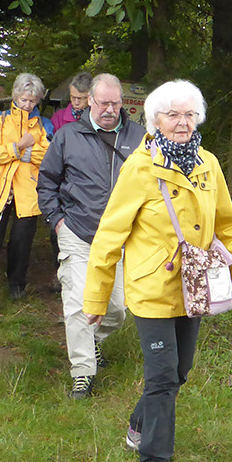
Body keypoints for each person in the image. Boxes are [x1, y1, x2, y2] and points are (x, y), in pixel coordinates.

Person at [84, 80, 232, 462]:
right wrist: (96, 299)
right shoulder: (139, 168)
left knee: (179, 371)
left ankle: (138, 424)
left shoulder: (207, 163)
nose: (182, 123)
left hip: (194, 288)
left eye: (189, 114)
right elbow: (109, 235)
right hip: (153, 289)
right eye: (172, 115)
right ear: (155, 120)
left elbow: (227, 224)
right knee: (162, 378)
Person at [37, 74, 146, 399]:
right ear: (90, 101)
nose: (109, 109)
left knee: (117, 309)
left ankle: (94, 340)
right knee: (78, 305)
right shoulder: (68, 136)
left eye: (115, 103)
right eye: (103, 103)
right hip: (78, 232)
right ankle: (83, 372)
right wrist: (57, 221)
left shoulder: (140, 137)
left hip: (121, 238)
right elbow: (47, 182)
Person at [0, 72, 50, 309]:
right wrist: (19, 147)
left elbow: (48, 154)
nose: (27, 105)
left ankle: (16, 286)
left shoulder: (44, 125)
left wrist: (20, 152)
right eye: (24, 99)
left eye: (32, 100)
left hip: (28, 191)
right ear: (15, 96)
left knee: (22, 242)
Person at [51, 72, 93, 136]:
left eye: (81, 98)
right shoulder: (58, 117)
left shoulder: (98, 117)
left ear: (91, 97)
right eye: (73, 97)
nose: (76, 103)